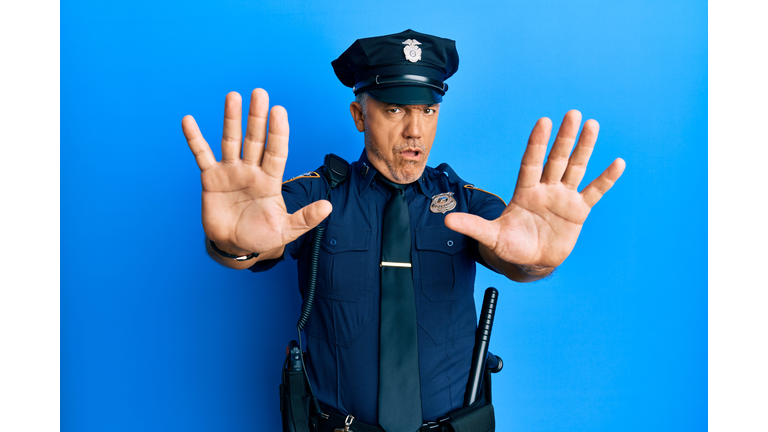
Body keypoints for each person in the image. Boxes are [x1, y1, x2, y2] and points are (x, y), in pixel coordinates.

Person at [182, 29, 625, 432]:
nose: (415, 130)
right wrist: (233, 245)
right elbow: (256, 243)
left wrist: (537, 262)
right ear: (359, 115)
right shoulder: (318, 195)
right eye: (394, 109)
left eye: (428, 110)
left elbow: (514, 254)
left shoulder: (465, 201)